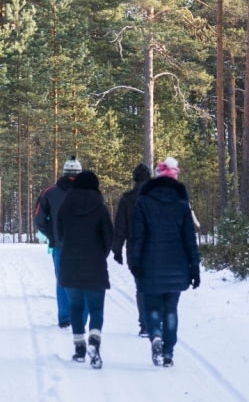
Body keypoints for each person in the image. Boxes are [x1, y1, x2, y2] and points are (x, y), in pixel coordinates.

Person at [128, 157, 200, 368]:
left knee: (151, 306)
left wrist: (135, 262)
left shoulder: (143, 201)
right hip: (177, 266)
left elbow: (137, 235)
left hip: (150, 264)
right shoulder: (182, 204)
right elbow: (189, 239)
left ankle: (155, 336)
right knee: (170, 309)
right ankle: (168, 353)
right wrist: (194, 267)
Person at [56, 170, 114, 369]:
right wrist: (100, 255)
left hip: (70, 264)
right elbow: (109, 236)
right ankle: (94, 343)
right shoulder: (100, 208)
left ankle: (79, 349)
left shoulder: (65, 206)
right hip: (95, 264)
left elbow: (60, 233)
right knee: (96, 308)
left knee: (76, 308)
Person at [34, 155, 85, 329]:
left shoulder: (50, 191)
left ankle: (65, 318)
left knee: (62, 280)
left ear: (64, 172)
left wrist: (49, 233)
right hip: (83, 246)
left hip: (58, 244)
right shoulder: (90, 192)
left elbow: (38, 217)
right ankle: (80, 318)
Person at [111, 162, 152, 337]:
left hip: (134, 248)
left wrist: (117, 250)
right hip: (156, 248)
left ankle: (145, 324)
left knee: (141, 286)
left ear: (134, 179)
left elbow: (120, 227)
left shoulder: (127, 198)